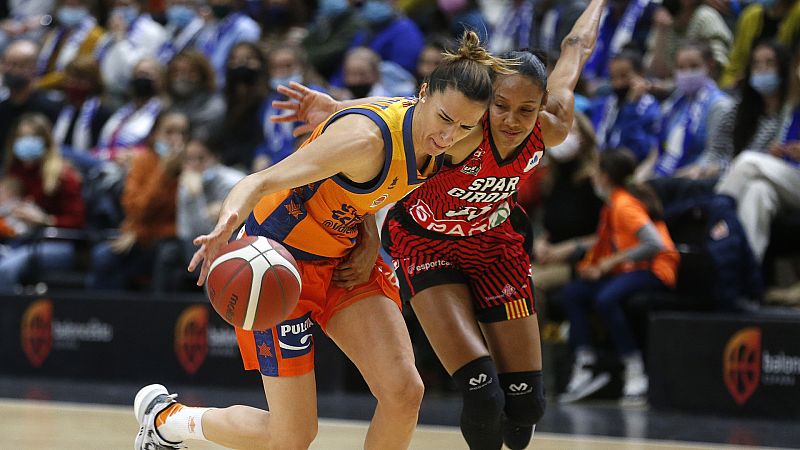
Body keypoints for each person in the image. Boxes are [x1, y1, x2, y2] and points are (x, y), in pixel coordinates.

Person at [133, 31, 509, 450]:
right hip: (280, 263)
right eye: (444, 119)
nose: (448, 136)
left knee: (404, 393)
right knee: (292, 437)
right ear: (423, 93)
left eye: (463, 126)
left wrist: (370, 229)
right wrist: (226, 224)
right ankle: (168, 420)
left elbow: (376, 183)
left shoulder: (456, 133)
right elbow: (259, 181)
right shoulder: (363, 142)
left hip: (345, 256)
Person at [269, 0, 607, 447]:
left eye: (526, 110)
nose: (511, 120)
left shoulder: (553, 130)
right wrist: (342, 107)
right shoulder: (459, 132)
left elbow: (576, 47)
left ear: (543, 107)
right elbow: (402, 118)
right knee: (483, 394)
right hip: (427, 244)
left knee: (526, 406)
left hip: (494, 245)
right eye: (501, 105)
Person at [558, 148, 678, 404]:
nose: (591, 176)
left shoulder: (623, 205)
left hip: (655, 270)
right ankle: (586, 361)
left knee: (605, 298)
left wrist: (610, 262)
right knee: (574, 293)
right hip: (629, 271)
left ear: (605, 176)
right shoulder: (611, 205)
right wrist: (595, 265)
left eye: (595, 171)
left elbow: (654, 244)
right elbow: (606, 246)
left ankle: (635, 370)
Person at [87, 110, 189, 290]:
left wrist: (139, 232)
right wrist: (163, 174)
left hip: (168, 240)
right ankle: (103, 316)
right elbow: (136, 209)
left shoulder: (191, 167)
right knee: (103, 256)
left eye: (182, 133)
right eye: (169, 132)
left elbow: (182, 221)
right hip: (141, 237)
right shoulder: (142, 162)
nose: (175, 139)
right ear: (154, 134)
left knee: (166, 254)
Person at [0, 113, 85, 291]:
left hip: (56, 243)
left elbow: (78, 222)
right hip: (18, 240)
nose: (26, 142)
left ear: (45, 141)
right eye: (21, 137)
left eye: (32, 137)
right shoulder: (14, 172)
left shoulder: (64, 176)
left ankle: (8, 317)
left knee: (5, 269)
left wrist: (45, 220)